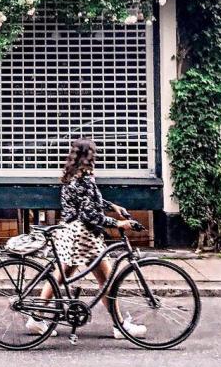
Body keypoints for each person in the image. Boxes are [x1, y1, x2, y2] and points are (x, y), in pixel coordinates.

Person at [27, 138, 147, 339]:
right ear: (89, 156)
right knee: (107, 280)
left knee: (60, 276)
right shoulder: (85, 180)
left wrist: (112, 206)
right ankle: (120, 326)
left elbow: (88, 201)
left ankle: (37, 318)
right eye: (95, 154)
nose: (97, 158)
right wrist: (118, 224)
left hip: (69, 232)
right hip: (84, 236)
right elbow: (90, 215)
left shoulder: (72, 175)